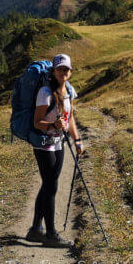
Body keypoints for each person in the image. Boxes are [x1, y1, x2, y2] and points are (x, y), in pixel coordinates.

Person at [26, 53, 83, 247]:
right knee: (51, 187)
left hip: (60, 143)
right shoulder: (45, 92)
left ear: (70, 72)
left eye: (66, 69)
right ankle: (50, 234)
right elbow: (37, 122)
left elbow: (71, 118)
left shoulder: (69, 91)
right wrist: (52, 126)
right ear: (54, 70)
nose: (63, 72)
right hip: (43, 144)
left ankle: (35, 230)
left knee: (48, 185)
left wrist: (78, 141)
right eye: (60, 69)